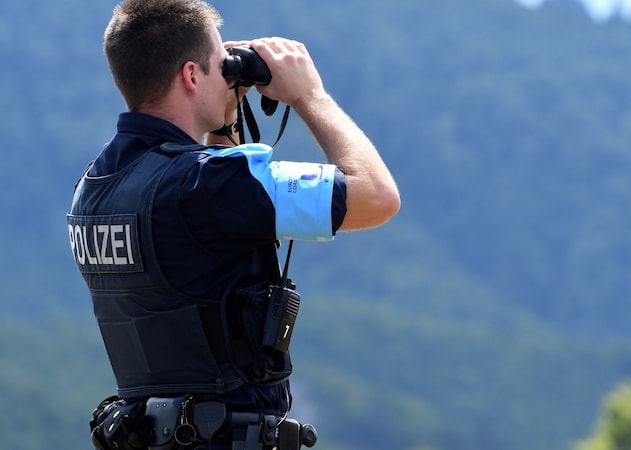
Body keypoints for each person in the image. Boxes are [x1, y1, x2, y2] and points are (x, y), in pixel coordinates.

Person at [66, 0, 400, 448]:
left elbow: (203, 240)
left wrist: (225, 117)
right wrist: (309, 96)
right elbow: (377, 198)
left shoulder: (96, 186)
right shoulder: (207, 186)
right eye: (220, 65)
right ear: (190, 76)